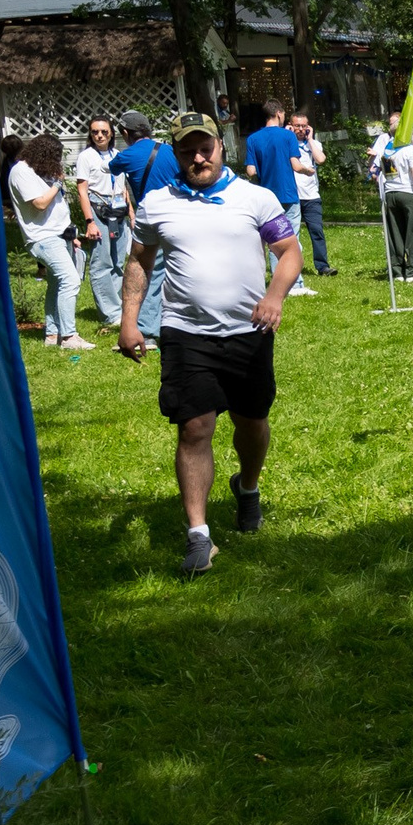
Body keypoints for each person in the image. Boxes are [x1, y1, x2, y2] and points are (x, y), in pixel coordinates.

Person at [116, 111, 303, 576]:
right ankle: (199, 535)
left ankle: (248, 486)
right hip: (185, 334)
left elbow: (290, 253)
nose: (198, 157)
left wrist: (275, 296)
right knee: (194, 428)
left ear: (222, 147)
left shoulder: (255, 198)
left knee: (252, 422)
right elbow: (139, 259)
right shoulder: (159, 203)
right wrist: (129, 321)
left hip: (249, 333)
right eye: (187, 150)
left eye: (206, 147)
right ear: (176, 154)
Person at [7, 132, 91, 349]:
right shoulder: (21, 172)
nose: (57, 162)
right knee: (70, 280)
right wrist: (57, 183)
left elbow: (57, 208)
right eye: (55, 157)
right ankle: (69, 337)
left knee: (55, 285)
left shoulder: (39, 172)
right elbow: (40, 204)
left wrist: (71, 237)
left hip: (60, 235)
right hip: (42, 238)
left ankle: (52, 335)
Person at [106, 110, 179, 339]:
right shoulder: (170, 151)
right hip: (178, 217)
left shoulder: (126, 156)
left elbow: (112, 167)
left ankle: (147, 329)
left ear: (125, 133)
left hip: (150, 220)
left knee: (149, 272)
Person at [240, 102, 312, 297]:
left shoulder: (253, 139)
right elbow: (296, 166)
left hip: (265, 197)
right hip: (288, 193)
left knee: (271, 240)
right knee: (291, 239)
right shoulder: (288, 135)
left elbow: (251, 170)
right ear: (279, 114)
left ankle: (274, 281)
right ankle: (294, 284)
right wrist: (308, 170)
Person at [74, 116, 130, 327]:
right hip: (98, 209)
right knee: (101, 261)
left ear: (111, 133)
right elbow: (82, 190)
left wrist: (131, 215)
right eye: (95, 132)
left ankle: (118, 307)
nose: (99, 135)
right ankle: (108, 313)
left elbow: (124, 187)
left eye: (104, 132)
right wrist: (90, 221)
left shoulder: (117, 155)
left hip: (118, 211)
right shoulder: (86, 157)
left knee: (118, 262)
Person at [378, 119, 413, 281]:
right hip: (409, 193)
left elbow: (389, 174)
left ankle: (397, 271)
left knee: (395, 234)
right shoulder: (410, 150)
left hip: (391, 193)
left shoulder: (387, 151)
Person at [287, 114, 335, 277]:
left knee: (316, 231)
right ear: (290, 126)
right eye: (297, 126)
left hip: (311, 196)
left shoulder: (314, 144)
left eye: (303, 126)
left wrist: (310, 139)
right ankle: (291, 267)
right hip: (292, 196)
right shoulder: (285, 143)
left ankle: (322, 266)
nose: (300, 129)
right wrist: (287, 135)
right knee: (290, 234)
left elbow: (321, 159)